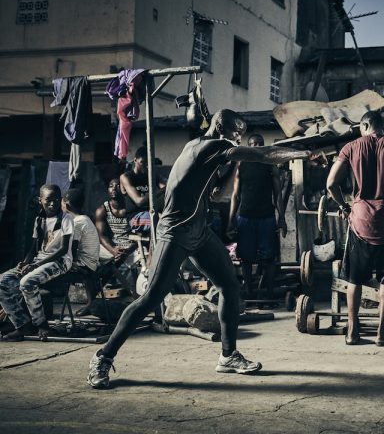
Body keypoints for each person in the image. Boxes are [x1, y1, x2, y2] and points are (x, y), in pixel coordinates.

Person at [87, 109, 312, 389]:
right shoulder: (211, 145)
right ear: (220, 127)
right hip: (176, 230)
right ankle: (103, 357)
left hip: (198, 231)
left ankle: (228, 356)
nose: (238, 138)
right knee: (151, 297)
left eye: (240, 134)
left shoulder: (207, 150)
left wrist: (233, 168)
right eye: (236, 132)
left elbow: (219, 195)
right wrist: (302, 152)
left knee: (230, 286)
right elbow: (265, 155)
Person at [326, 111, 384, 346]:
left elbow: (331, 184)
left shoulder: (351, 147)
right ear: (382, 127)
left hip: (359, 221)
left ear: (365, 125)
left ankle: (353, 332)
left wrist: (344, 206)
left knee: (354, 279)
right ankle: (382, 333)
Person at [0, 184, 73, 341]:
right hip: (39, 261)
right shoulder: (39, 220)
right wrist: (25, 263)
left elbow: (63, 249)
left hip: (60, 261)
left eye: (56, 200)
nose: (52, 204)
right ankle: (21, 326)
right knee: (3, 281)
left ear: (61, 200)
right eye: (48, 200)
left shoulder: (66, 219)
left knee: (27, 282)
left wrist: (35, 266)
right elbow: (33, 249)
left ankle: (41, 325)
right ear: (40, 200)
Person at [227, 134, 286, 301]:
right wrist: (231, 220)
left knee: (269, 258)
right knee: (246, 258)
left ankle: (269, 293)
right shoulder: (241, 165)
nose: (257, 146)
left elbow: (278, 195)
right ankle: (249, 292)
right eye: (253, 144)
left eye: (260, 143)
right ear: (248, 146)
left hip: (266, 217)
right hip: (245, 218)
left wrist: (281, 218)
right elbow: (235, 196)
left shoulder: (270, 165)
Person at [62, 188, 101, 316]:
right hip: (91, 262)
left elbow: (72, 249)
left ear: (66, 205)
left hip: (85, 264)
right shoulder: (85, 218)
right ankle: (90, 304)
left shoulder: (77, 222)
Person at [95, 178, 136, 293]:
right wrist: (113, 250)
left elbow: (140, 233)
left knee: (140, 266)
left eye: (118, 185)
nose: (114, 188)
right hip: (114, 246)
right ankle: (96, 291)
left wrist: (127, 250)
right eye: (111, 186)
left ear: (124, 189)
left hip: (133, 246)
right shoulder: (102, 210)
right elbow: (101, 235)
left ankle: (134, 293)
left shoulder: (131, 206)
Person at [120, 146, 164, 233]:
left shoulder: (152, 175)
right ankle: (153, 246)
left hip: (150, 213)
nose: (146, 166)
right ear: (135, 160)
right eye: (143, 162)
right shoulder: (126, 177)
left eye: (149, 163)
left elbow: (166, 186)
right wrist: (161, 190)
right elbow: (139, 201)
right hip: (134, 218)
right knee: (156, 221)